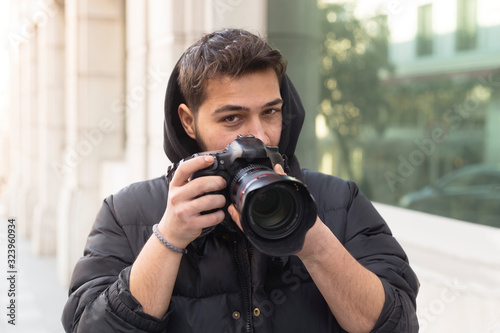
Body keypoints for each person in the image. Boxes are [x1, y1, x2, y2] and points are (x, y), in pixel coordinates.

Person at [62, 28, 419, 332]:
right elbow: (88, 325)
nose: (259, 136)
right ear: (188, 121)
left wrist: (315, 243)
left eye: (270, 112)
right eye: (232, 119)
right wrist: (168, 239)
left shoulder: (338, 200)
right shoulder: (128, 213)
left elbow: (399, 322)